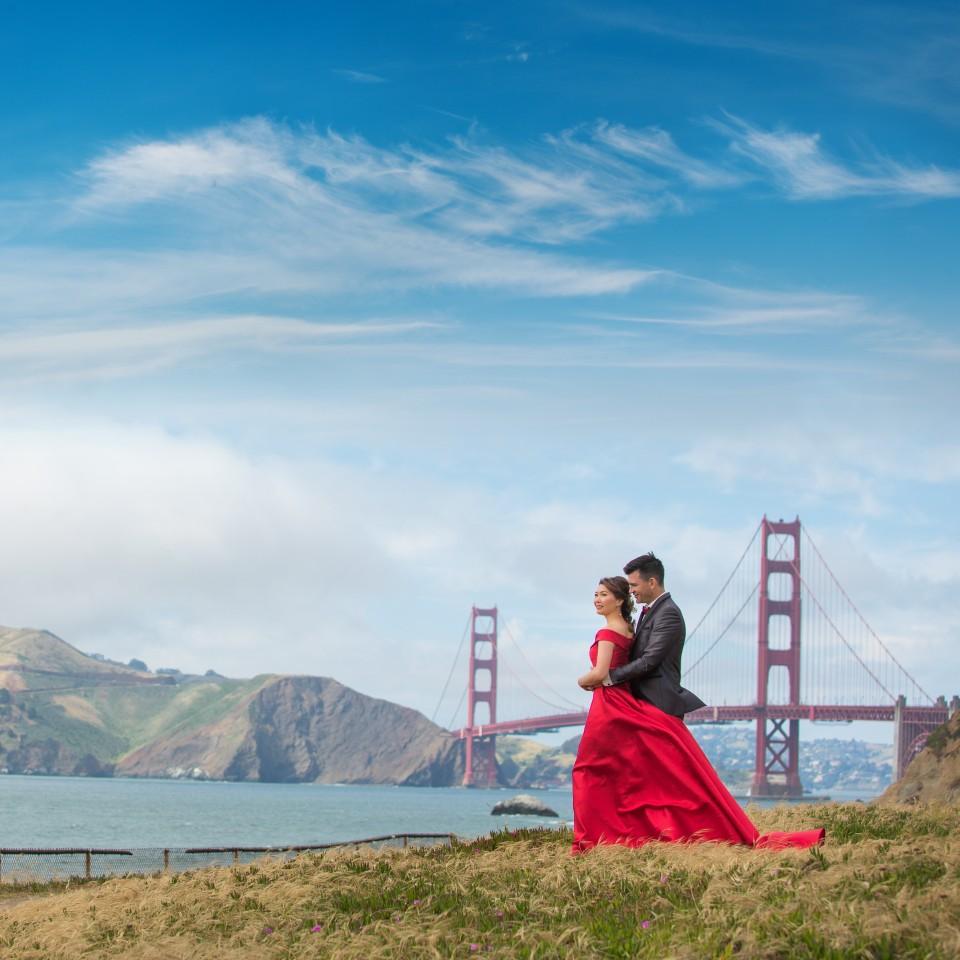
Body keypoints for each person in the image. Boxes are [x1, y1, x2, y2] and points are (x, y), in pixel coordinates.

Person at [571, 555, 824, 853]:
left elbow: (650, 661)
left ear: (653, 582)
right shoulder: (643, 615)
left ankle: (617, 836)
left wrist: (606, 678)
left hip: (652, 705)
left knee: (674, 782)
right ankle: (623, 834)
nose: (632, 592)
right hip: (631, 706)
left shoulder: (669, 614)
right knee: (646, 781)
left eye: (635, 585)